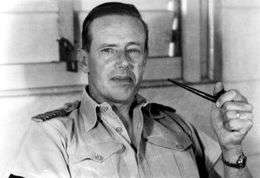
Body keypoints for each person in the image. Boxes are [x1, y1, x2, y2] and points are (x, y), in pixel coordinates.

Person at [9, 2, 254, 178]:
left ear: (145, 58)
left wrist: (231, 148)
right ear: (84, 61)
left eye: (133, 49)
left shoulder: (178, 126)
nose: (124, 61)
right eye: (108, 50)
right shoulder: (53, 135)